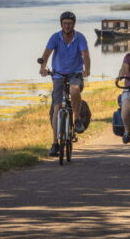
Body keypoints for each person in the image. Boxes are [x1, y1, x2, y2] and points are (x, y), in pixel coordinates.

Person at [39, 11, 91, 157]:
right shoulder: (55, 37)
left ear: (73, 24)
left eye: (69, 23)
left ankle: (77, 120)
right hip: (58, 75)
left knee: (75, 91)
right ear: (61, 24)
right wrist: (43, 67)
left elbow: (85, 55)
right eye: (64, 23)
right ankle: (55, 143)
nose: (67, 25)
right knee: (57, 108)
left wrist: (87, 69)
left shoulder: (80, 37)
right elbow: (46, 54)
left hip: (75, 74)